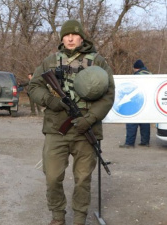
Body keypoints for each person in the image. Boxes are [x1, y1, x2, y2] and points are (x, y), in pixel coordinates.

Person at [28, 20, 115, 225]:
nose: (69, 38)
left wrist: (90, 119)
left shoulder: (98, 62)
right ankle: (58, 217)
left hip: (86, 129)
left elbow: (108, 96)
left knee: (83, 178)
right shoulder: (49, 61)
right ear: (61, 38)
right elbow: (34, 87)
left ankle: (79, 218)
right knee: (52, 176)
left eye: (74, 35)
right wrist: (51, 100)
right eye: (66, 35)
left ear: (81, 37)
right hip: (56, 129)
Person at [119, 59, 152, 149]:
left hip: (137, 102)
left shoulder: (137, 76)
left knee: (131, 122)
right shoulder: (150, 74)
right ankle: (145, 142)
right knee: (145, 122)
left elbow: (132, 88)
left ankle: (129, 143)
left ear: (136, 68)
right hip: (148, 103)